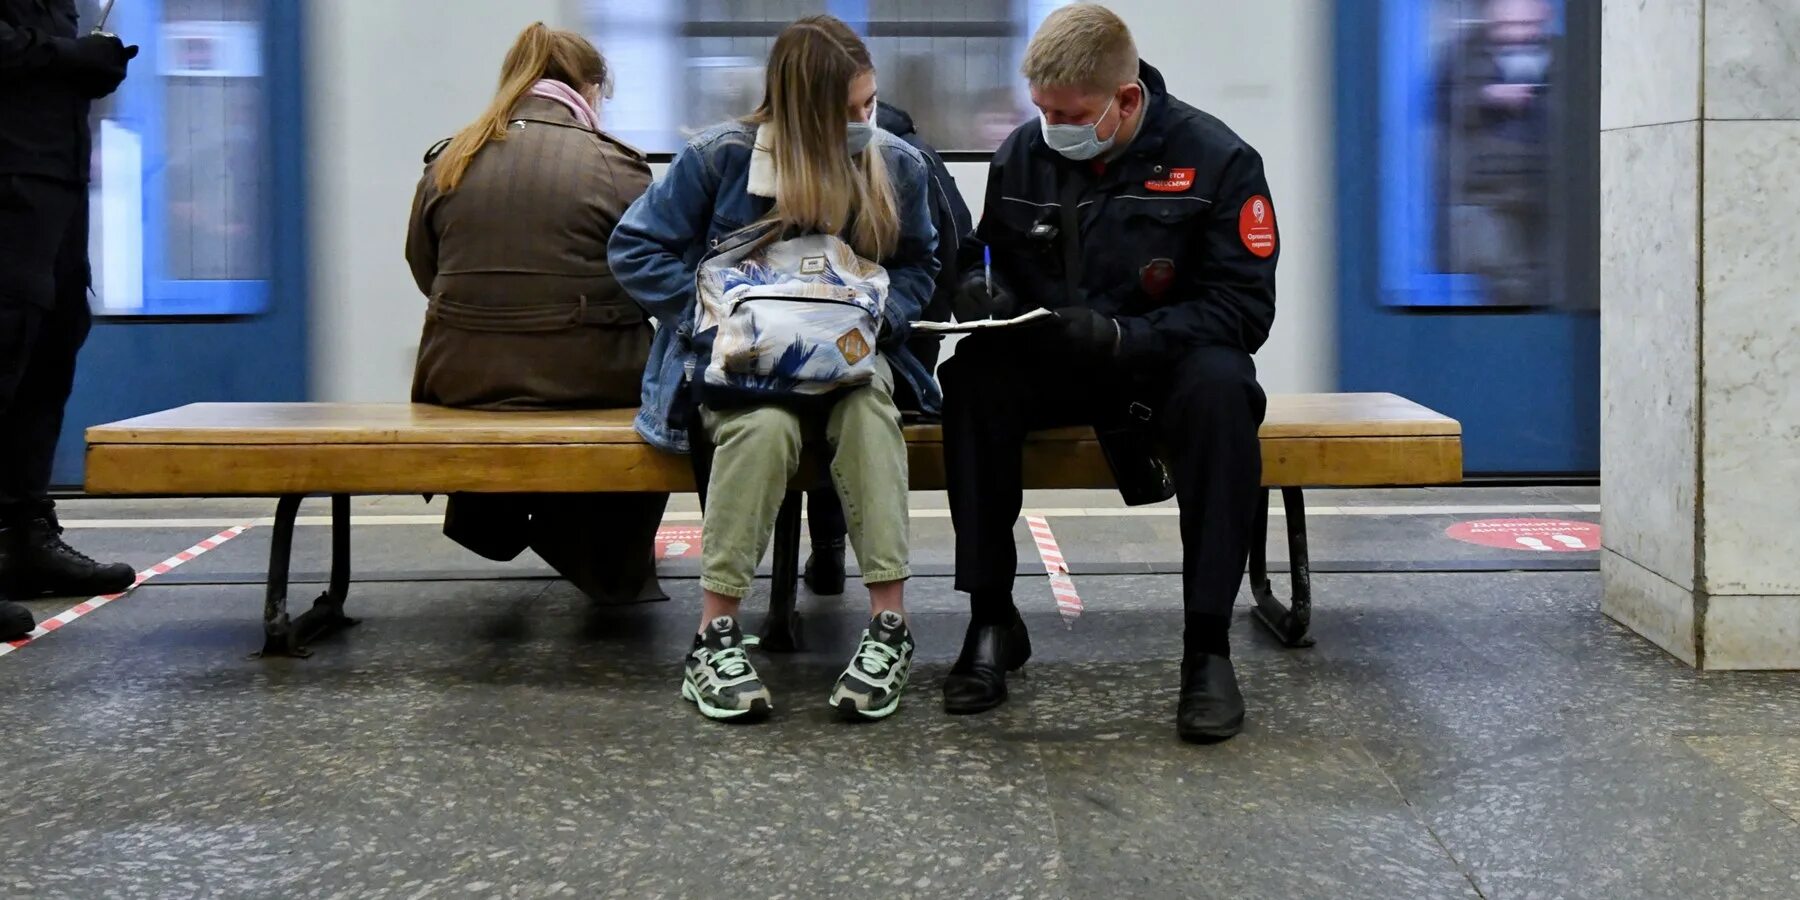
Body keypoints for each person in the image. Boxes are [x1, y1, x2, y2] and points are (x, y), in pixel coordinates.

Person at [940, 4, 1277, 743]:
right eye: (1042, 109)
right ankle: (991, 618)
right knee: (972, 378)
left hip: (1162, 364)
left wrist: (1128, 334)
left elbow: (1242, 312)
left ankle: (1208, 649)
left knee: (1226, 392)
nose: (1053, 125)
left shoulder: (1218, 160)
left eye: (1070, 112)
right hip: (1058, 357)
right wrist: (979, 284)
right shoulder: (1025, 154)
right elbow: (988, 250)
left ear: (1125, 99)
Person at [609, 15, 940, 723]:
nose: (863, 122)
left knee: (869, 410)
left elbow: (921, 264)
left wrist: (881, 318)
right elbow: (633, 249)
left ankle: (890, 623)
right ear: (800, 110)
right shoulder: (719, 159)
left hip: (849, 360)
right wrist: (716, 318)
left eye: (869, 104)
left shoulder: (895, 164)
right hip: (744, 364)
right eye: (848, 110)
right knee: (760, 429)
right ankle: (714, 633)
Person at [405, 23, 668, 605]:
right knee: (656, 393)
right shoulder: (618, 166)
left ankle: (504, 524)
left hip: (460, 380)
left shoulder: (450, 159)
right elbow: (649, 284)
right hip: (590, 380)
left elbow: (424, 269)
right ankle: (606, 562)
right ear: (590, 89)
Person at [1, 0, 142, 640]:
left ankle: (23, 539)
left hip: (54, 177)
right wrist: (69, 59)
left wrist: (89, 72)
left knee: (49, 353)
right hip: (7, 177)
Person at [802, 98, 972, 596]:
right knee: (864, 411)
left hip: (877, 323)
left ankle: (830, 550)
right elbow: (956, 236)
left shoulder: (900, 159)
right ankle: (867, 577)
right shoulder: (926, 157)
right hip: (914, 324)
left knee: (835, 410)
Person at [1433, 0, 1555, 307]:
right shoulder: (1463, 56)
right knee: (1504, 283)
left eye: (1528, 26)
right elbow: (1444, 104)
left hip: (1547, 193)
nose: (1520, 35)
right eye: (1510, 26)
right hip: (1487, 196)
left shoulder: (1562, 54)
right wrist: (1487, 98)